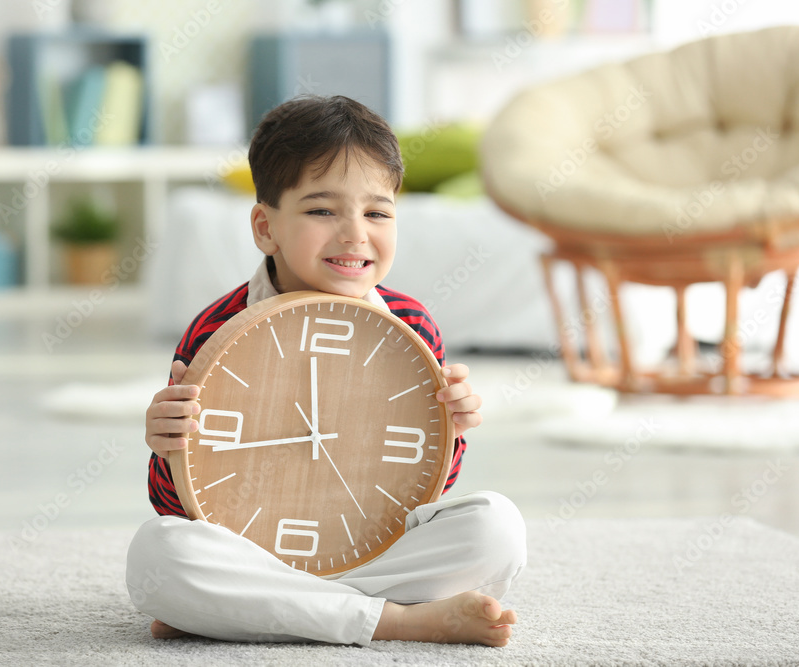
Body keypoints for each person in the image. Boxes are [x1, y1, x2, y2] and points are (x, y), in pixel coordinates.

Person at [127, 95, 526, 647]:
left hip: (371, 548)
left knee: (497, 528)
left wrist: (450, 432)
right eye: (322, 210)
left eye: (377, 212)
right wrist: (164, 444)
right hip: (250, 548)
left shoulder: (411, 325)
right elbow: (180, 506)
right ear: (266, 227)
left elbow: (418, 493)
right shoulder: (219, 329)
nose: (354, 233)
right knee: (161, 551)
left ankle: (248, 609)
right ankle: (401, 620)